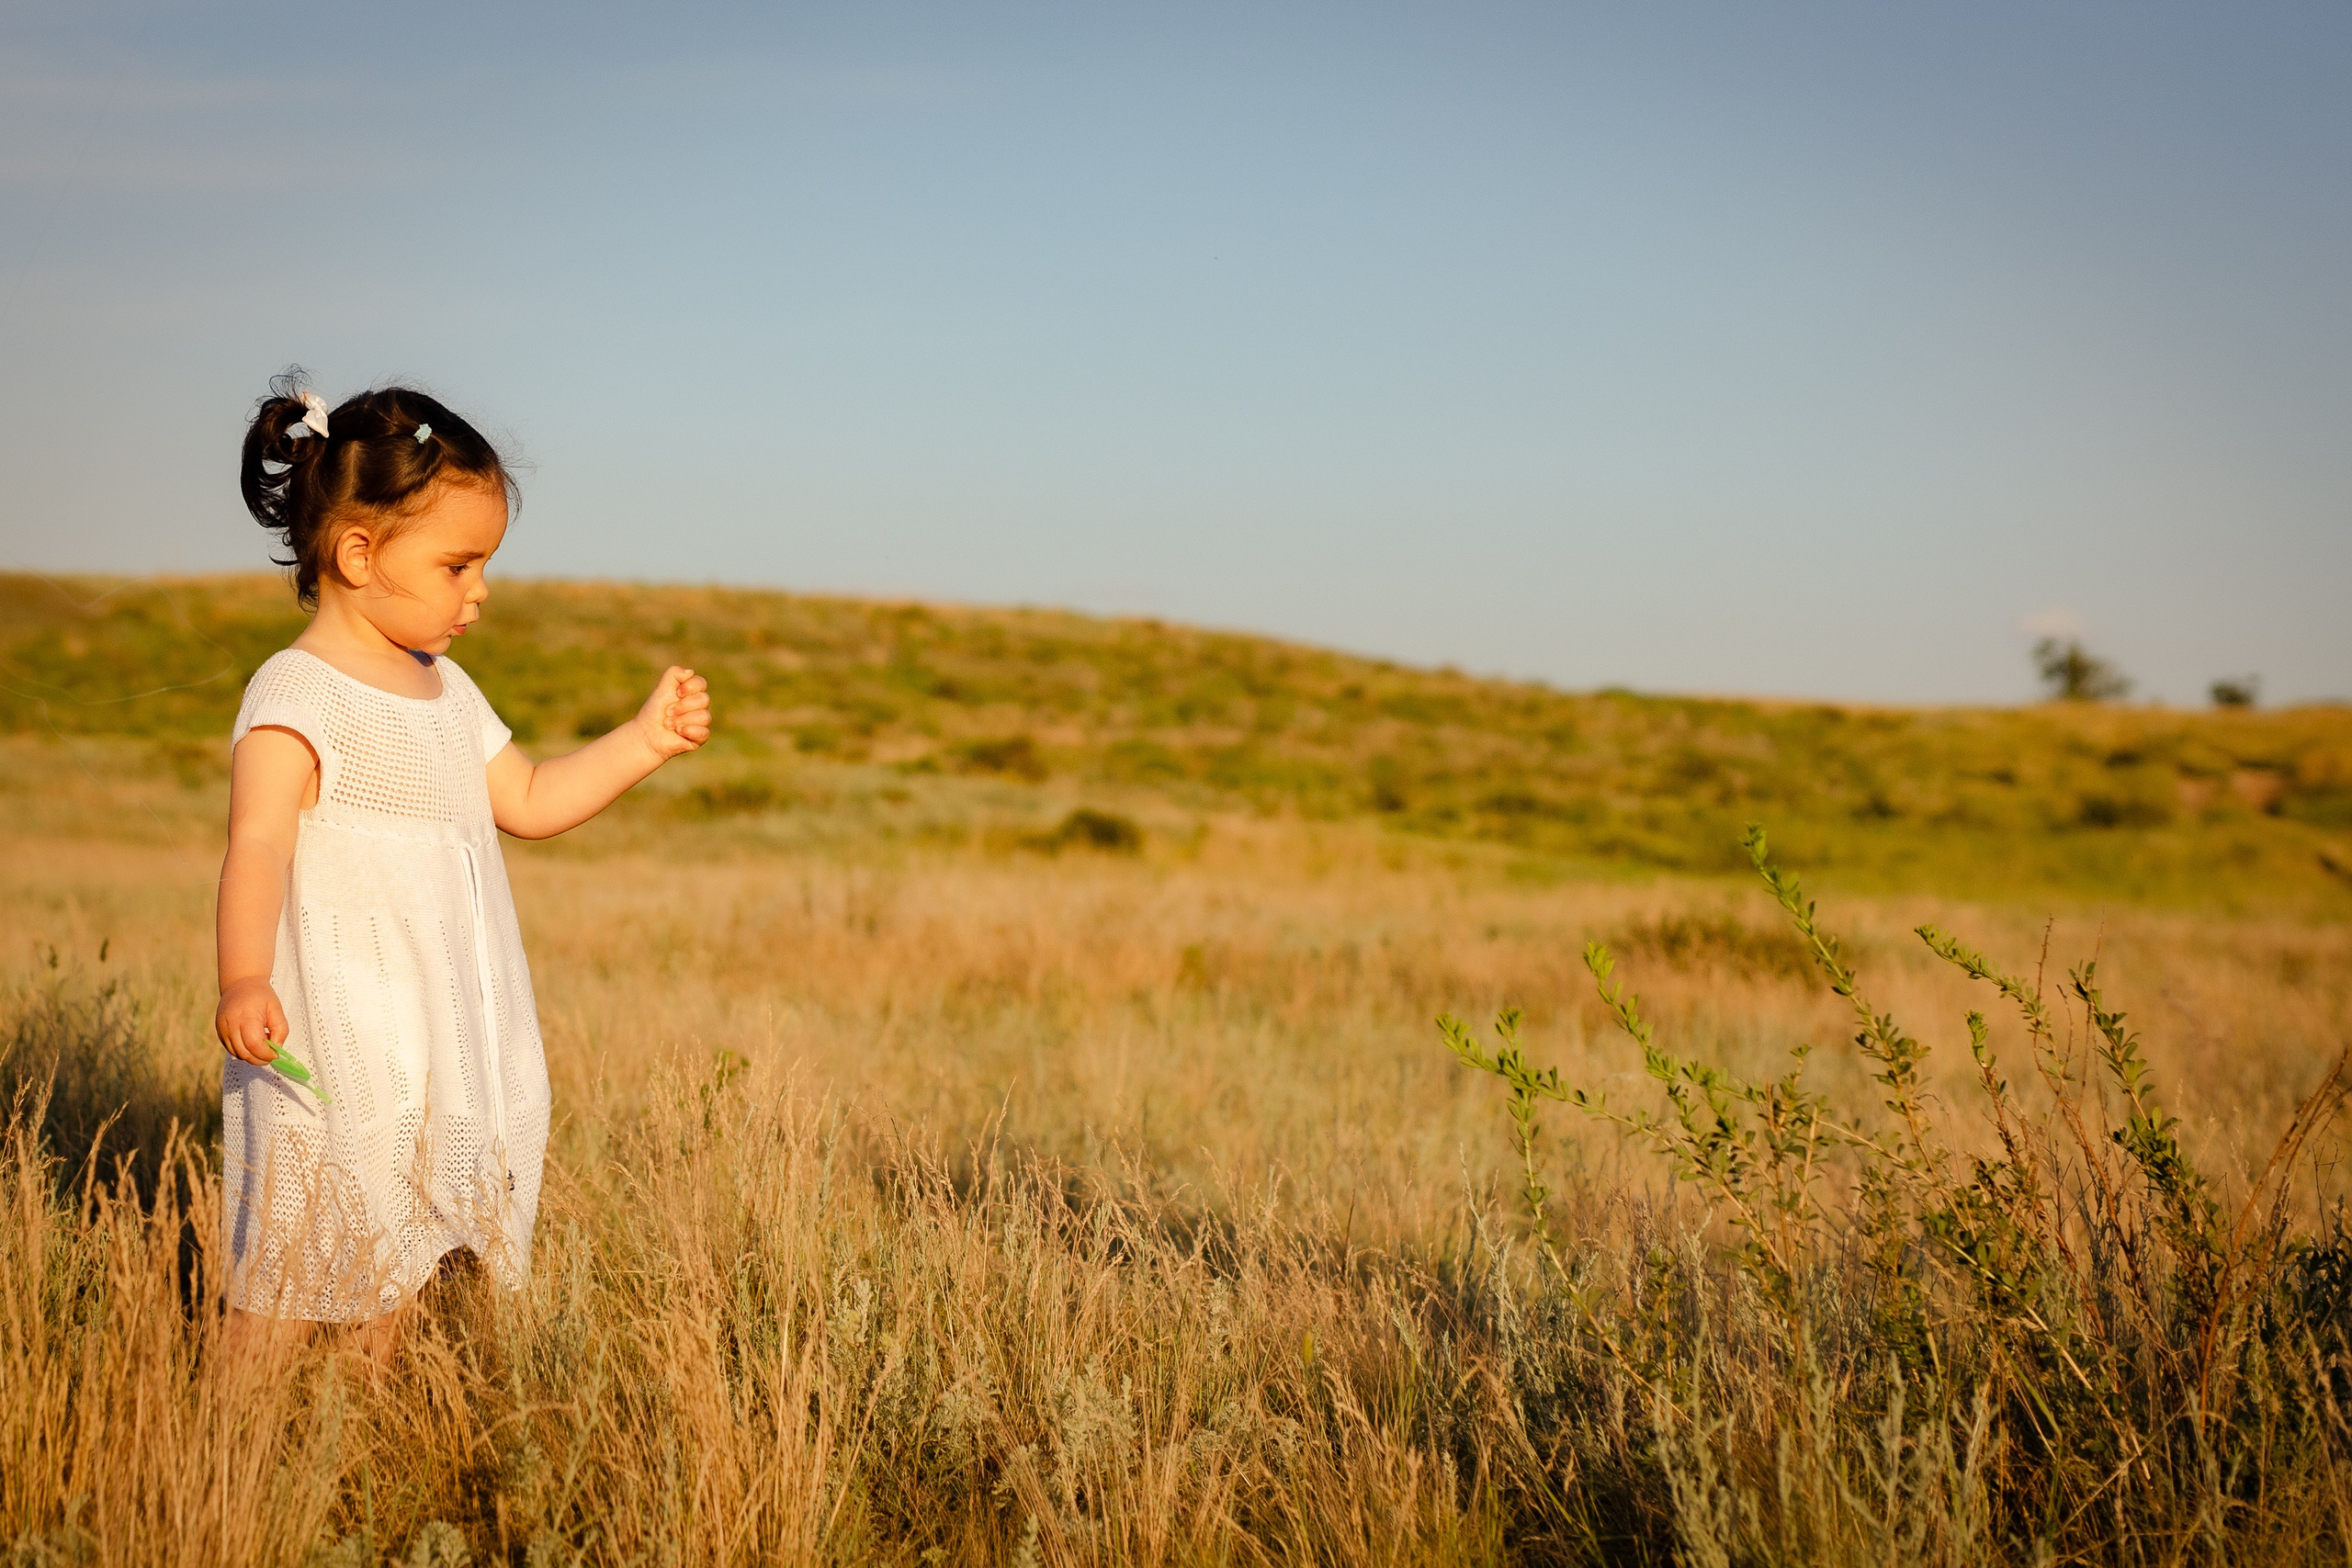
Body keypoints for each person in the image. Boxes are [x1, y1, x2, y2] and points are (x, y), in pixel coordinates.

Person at [215, 373, 711, 1357]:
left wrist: (641, 743)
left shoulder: (449, 692)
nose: (478, 593)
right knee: (294, 1248)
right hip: (335, 1030)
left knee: (405, 1246)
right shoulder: (296, 694)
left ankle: (355, 1447)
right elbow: (257, 844)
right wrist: (241, 976)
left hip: (437, 1029)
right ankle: (230, 1450)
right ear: (358, 553)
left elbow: (527, 800)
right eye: (458, 565)